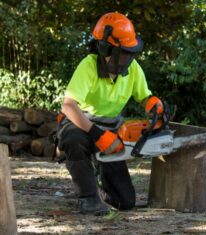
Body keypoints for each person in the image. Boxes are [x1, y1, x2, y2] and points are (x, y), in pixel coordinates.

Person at [57, 12, 163, 216]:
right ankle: (88, 198)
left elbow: (144, 96)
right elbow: (68, 106)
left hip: (111, 130)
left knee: (125, 202)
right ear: (105, 48)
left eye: (129, 53)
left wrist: (153, 104)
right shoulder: (88, 66)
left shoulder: (132, 69)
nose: (127, 58)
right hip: (81, 123)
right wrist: (96, 134)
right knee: (73, 139)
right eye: (123, 53)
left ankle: (101, 188)